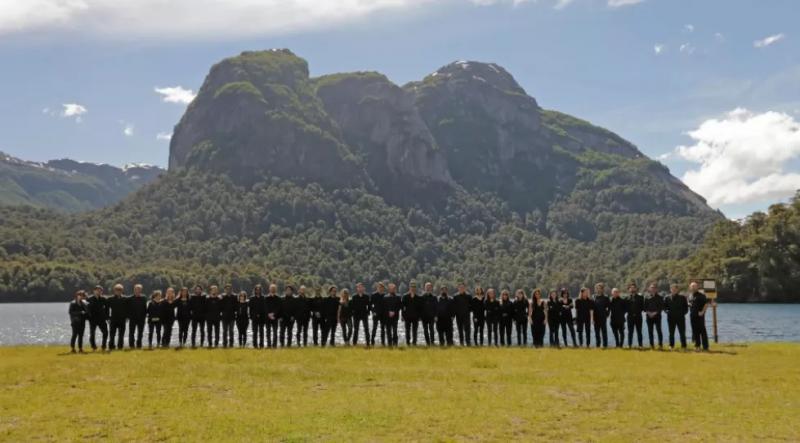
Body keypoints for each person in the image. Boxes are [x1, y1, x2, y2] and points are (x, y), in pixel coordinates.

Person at [665, 283, 688, 349]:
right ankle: (671, 345)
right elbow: (664, 307)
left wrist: (682, 313)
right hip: (671, 318)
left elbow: (686, 308)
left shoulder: (682, 297)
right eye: (672, 289)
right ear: (670, 290)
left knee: (682, 333)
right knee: (671, 333)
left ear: (677, 290)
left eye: (675, 289)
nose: (673, 290)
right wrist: (667, 312)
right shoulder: (667, 298)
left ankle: (684, 346)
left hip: (680, 318)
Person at [86, 285, 108, 352]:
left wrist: (107, 317)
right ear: (94, 291)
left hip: (102, 319)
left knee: (105, 332)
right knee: (92, 333)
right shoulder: (89, 299)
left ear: (102, 292)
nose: (99, 291)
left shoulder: (104, 299)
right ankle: (93, 347)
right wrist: (88, 317)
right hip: (92, 319)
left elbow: (107, 309)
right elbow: (86, 309)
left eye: (100, 290)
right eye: (97, 290)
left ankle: (103, 347)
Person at [689, 281, 709, 351]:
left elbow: (706, 304)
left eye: (694, 286)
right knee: (695, 331)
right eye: (692, 286)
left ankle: (705, 347)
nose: (693, 287)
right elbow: (690, 303)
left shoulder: (701, 295)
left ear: (697, 287)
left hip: (700, 316)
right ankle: (697, 346)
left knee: (702, 331)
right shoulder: (690, 295)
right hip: (692, 316)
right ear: (690, 287)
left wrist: (702, 312)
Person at [644, 283, 665, 349]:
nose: (653, 289)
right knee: (650, 331)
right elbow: (644, 307)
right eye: (651, 287)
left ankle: (660, 345)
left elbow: (661, 307)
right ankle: (651, 345)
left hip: (657, 317)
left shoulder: (660, 297)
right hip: (649, 317)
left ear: (656, 289)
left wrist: (654, 313)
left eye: (654, 288)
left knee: (659, 330)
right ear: (649, 289)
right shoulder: (646, 297)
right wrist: (648, 312)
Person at [129, 284, 147, 349]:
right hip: (132, 318)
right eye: (136, 289)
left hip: (141, 319)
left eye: (139, 289)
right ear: (134, 290)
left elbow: (145, 308)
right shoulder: (130, 298)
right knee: (131, 333)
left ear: (141, 290)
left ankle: (139, 345)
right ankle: (131, 345)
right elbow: (127, 309)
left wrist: (145, 317)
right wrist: (128, 316)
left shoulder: (144, 298)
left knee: (140, 333)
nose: (138, 291)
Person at [626, 283, 645, 348]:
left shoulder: (640, 297)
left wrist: (637, 312)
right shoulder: (627, 298)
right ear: (629, 289)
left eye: (634, 287)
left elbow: (642, 307)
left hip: (638, 316)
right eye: (631, 288)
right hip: (630, 317)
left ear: (636, 289)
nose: (632, 289)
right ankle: (629, 345)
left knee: (639, 331)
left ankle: (640, 345)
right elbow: (625, 308)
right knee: (630, 332)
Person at [592, 283, 610, 349]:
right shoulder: (594, 297)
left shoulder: (606, 297)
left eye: (600, 288)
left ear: (602, 289)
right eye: (597, 288)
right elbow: (592, 308)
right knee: (597, 332)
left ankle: (605, 345)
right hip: (595, 317)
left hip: (603, 317)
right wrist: (592, 318)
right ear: (596, 289)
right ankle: (598, 346)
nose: (598, 289)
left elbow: (609, 307)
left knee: (604, 332)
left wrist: (607, 314)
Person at [265, 283, 282, 348]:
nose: (273, 290)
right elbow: (265, 307)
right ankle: (269, 345)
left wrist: (273, 314)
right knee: (268, 332)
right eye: (271, 288)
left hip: (275, 318)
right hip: (267, 318)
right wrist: (269, 314)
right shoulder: (266, 298)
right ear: (269, 289)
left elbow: (279, 308)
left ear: (276, 290)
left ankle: (274, 345)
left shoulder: (278, 298)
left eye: (274, 288)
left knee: (275, 332)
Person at [370, 283, 386, 347]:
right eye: (379, 287)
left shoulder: (385, 295)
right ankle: (372, 342)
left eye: (381, 287)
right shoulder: (373, 295)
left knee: (383, 329)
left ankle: (383, 343)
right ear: (377, 288)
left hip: (383, 314)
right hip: (375, 314)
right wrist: (373, 312)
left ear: (383, 288)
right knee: (374, 328)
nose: (380, 288)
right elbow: (370, 305)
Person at [221, 284, 237, 348]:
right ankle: (224, 344)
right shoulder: (222, 297)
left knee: (231, 331)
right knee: (224, 331)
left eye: (229, 289)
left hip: (232, 317)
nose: (228, 290)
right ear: (225, 290)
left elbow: (236, 307)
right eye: (227, 289)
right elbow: (220, 306)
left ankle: (231, 344)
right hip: (224, 317)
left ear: (231, 289)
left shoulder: (234, 297)